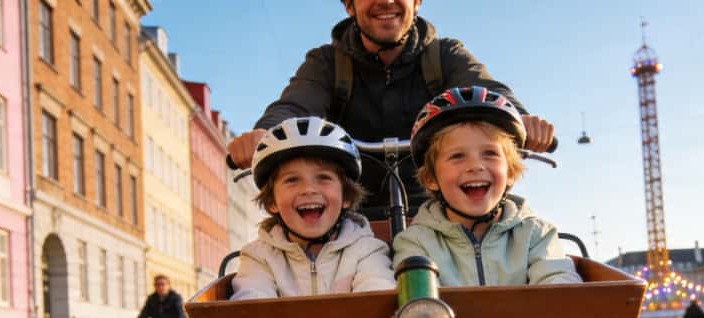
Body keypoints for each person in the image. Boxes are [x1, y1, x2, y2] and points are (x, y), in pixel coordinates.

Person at [227, 0, 555, 215]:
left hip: (445, 205)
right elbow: (296, 104)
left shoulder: (444, 56)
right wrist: (264, 133)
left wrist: (520, 119)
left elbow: (485, 90)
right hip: (352, 213)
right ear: (349, 6)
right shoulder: (327, 63)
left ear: (417, 2)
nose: (386, 2)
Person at [391, 87, 581, 286]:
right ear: (431, 178)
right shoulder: (416, 241)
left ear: (510, 172)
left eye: (490, 153)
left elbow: (559, 284)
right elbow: (421, 302)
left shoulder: (536, 234)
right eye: (457, 156)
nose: (475, 166)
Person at [231, 117, 396, 300]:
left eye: (323, 178)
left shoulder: (367, 250)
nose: (308, 189)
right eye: (292, 180)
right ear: (272, 202)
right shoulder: (258, 257)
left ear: (346, 197)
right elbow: (251, 307)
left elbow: (375, 299)